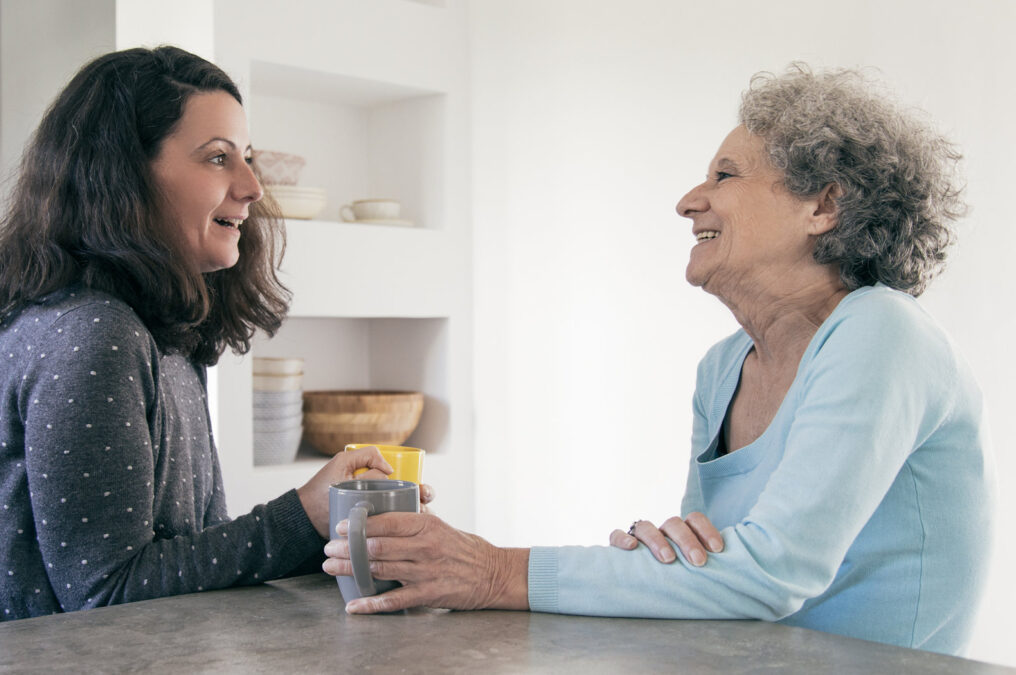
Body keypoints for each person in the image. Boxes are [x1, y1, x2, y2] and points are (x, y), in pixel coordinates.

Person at [323, 64, 996, 656]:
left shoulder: (882, 332)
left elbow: (768, 574)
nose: (688, 201)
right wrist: (673, 561)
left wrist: (496, 570)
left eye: (724, 176)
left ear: (821, 205)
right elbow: (717, 582)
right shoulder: (723, 368)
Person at [0, 46, 427, 630]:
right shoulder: (95, 335)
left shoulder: (153, 331)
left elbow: (178, 563)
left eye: (246, 158)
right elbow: (106, 595)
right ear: (123, 174)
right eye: (218, 158)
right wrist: (302, 514)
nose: (252, 186)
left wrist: (328, 527)